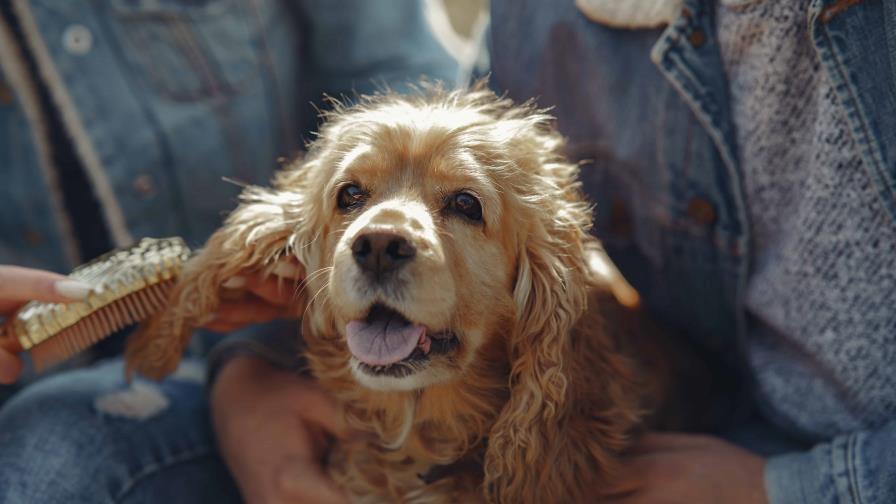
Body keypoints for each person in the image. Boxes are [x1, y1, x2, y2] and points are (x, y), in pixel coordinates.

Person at [0, 1, 458, 502]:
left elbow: (407, 95)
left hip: (292, 354)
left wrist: (258, 355)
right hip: (29, 394)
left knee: (53, 445)